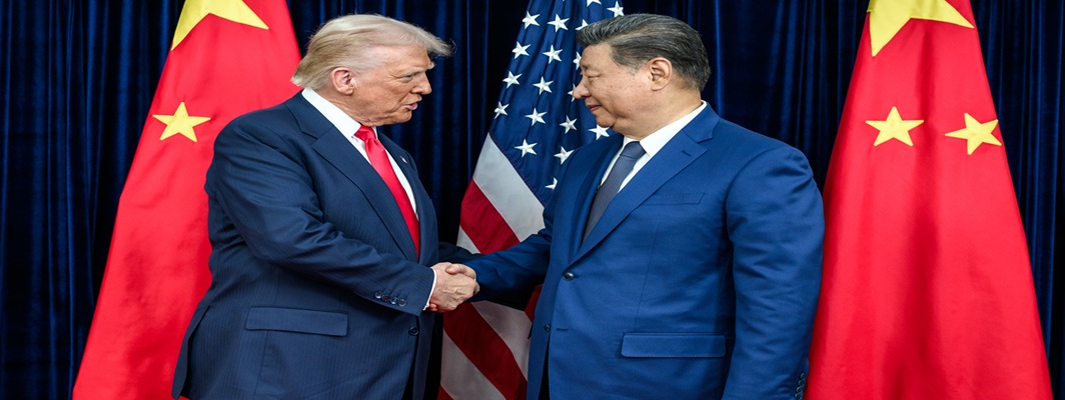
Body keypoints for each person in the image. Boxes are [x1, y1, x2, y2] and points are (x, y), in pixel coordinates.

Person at [448, 14, 824, 399]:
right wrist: (476, 276)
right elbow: (556, 247)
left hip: (669, 386)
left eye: (590, 76)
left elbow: (778, 311)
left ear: (657, 73)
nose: (578, 91)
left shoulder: (761, 163)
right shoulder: (587, 159)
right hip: (557, 379)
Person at [171, 14, 478, 400]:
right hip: (287, 372)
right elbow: (292, 238)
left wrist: (502, 270)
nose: (425, 88)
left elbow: (406, 249)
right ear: (345, 79)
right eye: (408, 76)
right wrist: (427, 285)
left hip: (381, 372)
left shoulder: (392, 154)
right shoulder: (262, 136)